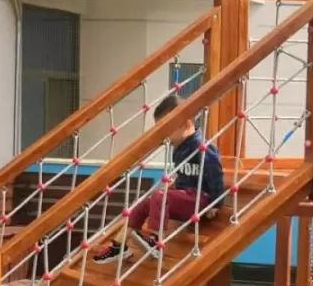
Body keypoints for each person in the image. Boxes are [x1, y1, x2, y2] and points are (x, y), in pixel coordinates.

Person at [94, 94, 225, 264]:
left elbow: (216, 174)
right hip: (186, 197)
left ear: (186, 124)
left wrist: (216, 203)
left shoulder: (202, 147)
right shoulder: (179, 148)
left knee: (160, 196)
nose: (164, 136)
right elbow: (184, 176)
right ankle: (119, 246)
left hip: (201, 199)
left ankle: (155, 240)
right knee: (144, 201)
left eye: (166, 130)